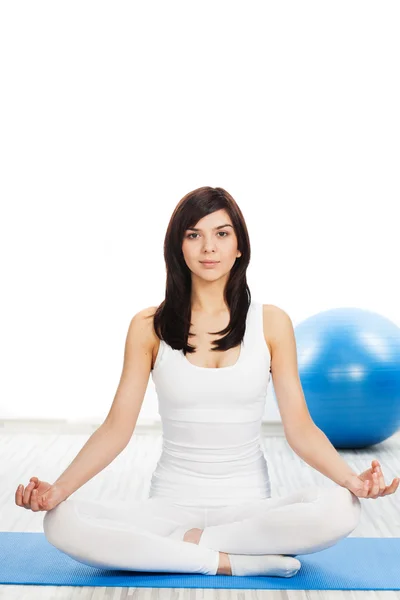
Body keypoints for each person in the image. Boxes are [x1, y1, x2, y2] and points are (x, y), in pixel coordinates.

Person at [16, 186, 363, 577]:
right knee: (59, 522)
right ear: (178, 247)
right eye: (193, 234)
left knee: (343, 508)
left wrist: (353, 480)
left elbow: (300, 428)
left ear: (240, 247)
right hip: (169, 506)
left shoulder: (272, 323)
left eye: (222, 233)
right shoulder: (149, 326)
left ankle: (185, 548)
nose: (208, 247)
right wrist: (57, 490)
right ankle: (234, 562)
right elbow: (116, 428)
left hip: (248, 508)